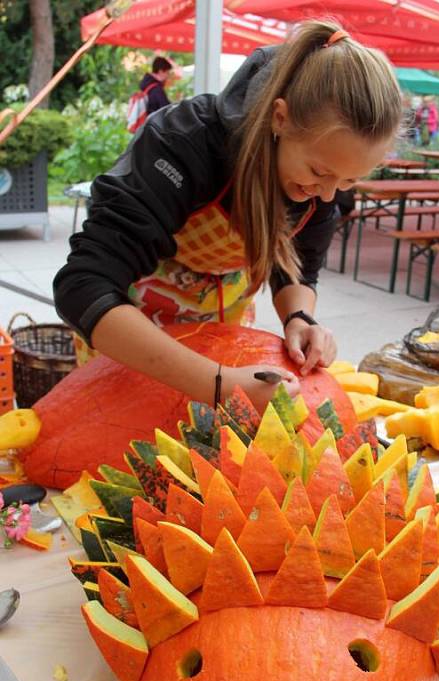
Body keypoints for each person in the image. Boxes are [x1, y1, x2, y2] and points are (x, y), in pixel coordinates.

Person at [53, 22, 402, 412]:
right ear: (280, 118)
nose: (327, 194)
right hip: (132, 337)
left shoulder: (324, 174)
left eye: (350, 180)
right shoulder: (183, 143)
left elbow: (299, 268)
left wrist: (300, 319)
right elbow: (83, 288)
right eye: (320, 173)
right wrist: (218, 384)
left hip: (224, 328)